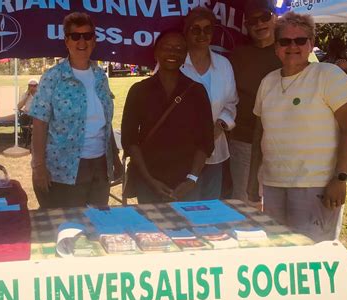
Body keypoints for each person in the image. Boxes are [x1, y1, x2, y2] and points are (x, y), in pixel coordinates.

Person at [247, 12, 347, 242]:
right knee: (279, 254)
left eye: (300, 40)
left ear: (310, 44)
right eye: (285, 41)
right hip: (273, 185)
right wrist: (252, 182)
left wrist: (340, 179)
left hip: (317, 187)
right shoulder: (267, 82)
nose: (293, 46)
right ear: (276, 47)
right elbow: (260, 134)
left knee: (312, 259)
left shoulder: (329, 75)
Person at [29, 12, 122, 208]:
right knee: (69, 229)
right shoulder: (53, 77)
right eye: (75, 36)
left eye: (87, 36)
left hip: (100, 167)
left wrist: (115, 158)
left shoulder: (100, 77)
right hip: (65, 170)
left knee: (97, 226)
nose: (82, 41)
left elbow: (105, 121)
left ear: (94, 41)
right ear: (67, 41)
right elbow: (39, 122)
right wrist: (38, 166)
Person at [121, 30, 214, 204]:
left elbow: (206, 140)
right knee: (149, 231)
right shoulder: (139, 91)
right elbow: (129, 140)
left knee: (188, 230)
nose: (172, 52)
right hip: (148, 182)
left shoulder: (197, 91)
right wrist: (149, 181)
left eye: (179, 48)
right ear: (156, 53)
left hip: (187, 184)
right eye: (167, 47)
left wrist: (191, 180)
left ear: (185, 54)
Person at [180, 7, 238, 200]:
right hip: (181, 153)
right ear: (186, 32)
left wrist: (220, 125)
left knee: (210, 210)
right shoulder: (174, 62)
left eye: (207, 29)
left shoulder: (223, 65)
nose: (202, 34)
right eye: (195, 29)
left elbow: (231, 102)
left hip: (215, 150)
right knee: (185, 209)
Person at [229, 0, 282, 203]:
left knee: (277, 203)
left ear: (275, 18)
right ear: (246, 25)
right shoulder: (238, 56)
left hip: (282, 142)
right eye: (253, 21)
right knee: (244, 203)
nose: (259, 24)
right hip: (244, 141)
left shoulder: (289, 49)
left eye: (265, 17)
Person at [17, 78, 38, 143]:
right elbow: (19, 107)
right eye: (30, 85)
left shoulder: (41, 94)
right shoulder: (25, 94)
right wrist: (27, 96)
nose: (32, 87)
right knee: (21, 118)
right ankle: (27, 137)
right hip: (27, 114)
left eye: (34, 86)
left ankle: (35, 137)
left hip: (38, 115)